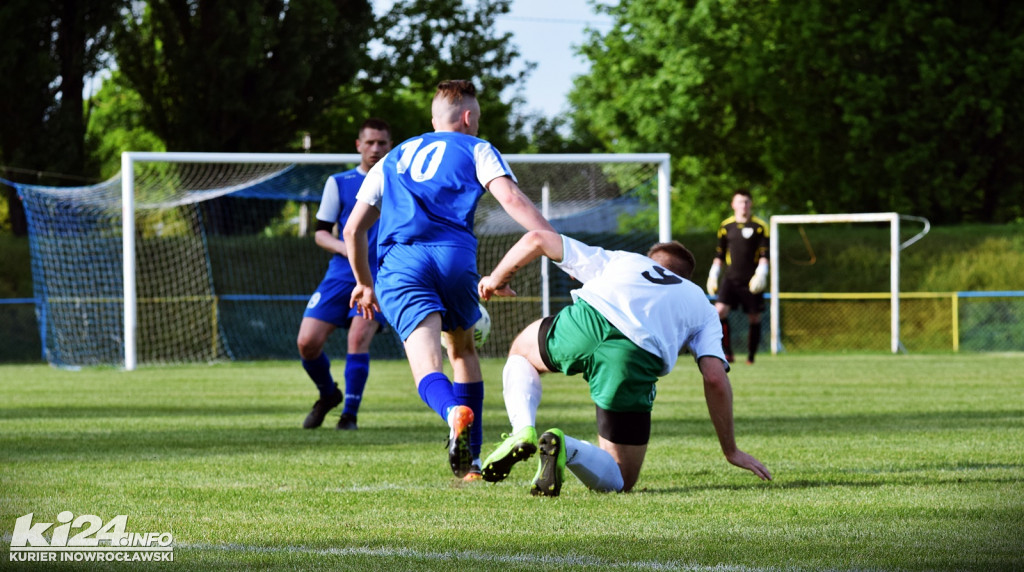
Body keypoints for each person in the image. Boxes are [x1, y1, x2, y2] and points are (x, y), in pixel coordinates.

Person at [343, 80, 555, 480]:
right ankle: (471, 464)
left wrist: (364, 282)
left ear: (433, 119)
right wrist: (551, 239)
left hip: (402, 261)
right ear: (470, 117)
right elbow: (511, 199)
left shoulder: (394, 156)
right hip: (456, 258)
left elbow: (353, 230)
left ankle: (451, 412)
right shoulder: (477, 147)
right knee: (463, 352)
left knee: (427, 364)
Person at [477, 229, 771, 496]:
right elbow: (715, 378)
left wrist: (495, 279)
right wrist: (730, 450)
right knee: (620, 479)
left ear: (650, 261)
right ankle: (567, 446)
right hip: (633, 357)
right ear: (686, 277)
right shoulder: (700, 304)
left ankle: (522, 428)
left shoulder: (623, 260)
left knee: (520, 353)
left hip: (585, 324)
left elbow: (536, 239)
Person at [296, 118, 393, 430]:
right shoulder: (338, 182)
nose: (376, 148)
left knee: (357, 337)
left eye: (382, 143)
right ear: (359, 145)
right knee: (307, 342)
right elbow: (320, 233)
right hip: (339, 274)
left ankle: (349, 415)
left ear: (390, 146)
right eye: (370, 142)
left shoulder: (399, 184)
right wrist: (346, 249)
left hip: (379, 275)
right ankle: (328, 394)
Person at [706, 189, 770, 364]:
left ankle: (751, 356)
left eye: (747, 202)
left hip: (751, 280)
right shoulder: (726, 226)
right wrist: (713, 274)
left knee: (755, 317)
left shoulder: (760, 227)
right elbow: (720, 253)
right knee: (719, 311)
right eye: (740, 202)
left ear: (751, 204)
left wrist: (762, 273)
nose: (744, 205)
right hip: (731, 278)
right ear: (733, 204)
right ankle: (727, 353)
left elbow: (765, 254)